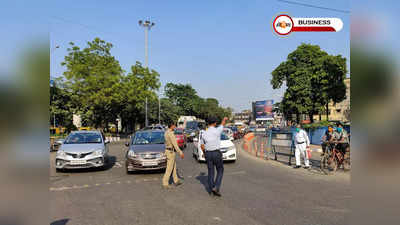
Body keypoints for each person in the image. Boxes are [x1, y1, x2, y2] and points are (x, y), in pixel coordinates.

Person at [200, 116, 228, 197]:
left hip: (208, 153)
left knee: (211, 172)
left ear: (208, 123)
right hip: (216, 153)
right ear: (215, 123)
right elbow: (222, 124)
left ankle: (211, 189)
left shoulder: (204, 133)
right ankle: (216, 187)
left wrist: (205, 153)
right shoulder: (217, 130)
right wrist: (224, 119)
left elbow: (202, 145)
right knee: (220, 170)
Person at [162, 121, 185, 189]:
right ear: (171, 126)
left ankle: (176, 180)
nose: (175, 127)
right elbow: (175, 145)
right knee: (169, 168)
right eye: (174, 125)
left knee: (174, 167)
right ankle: (165, 183)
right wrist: (180, 152)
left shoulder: (166, 132)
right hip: (171, 152)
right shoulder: (171, 133)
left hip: (168, 151)